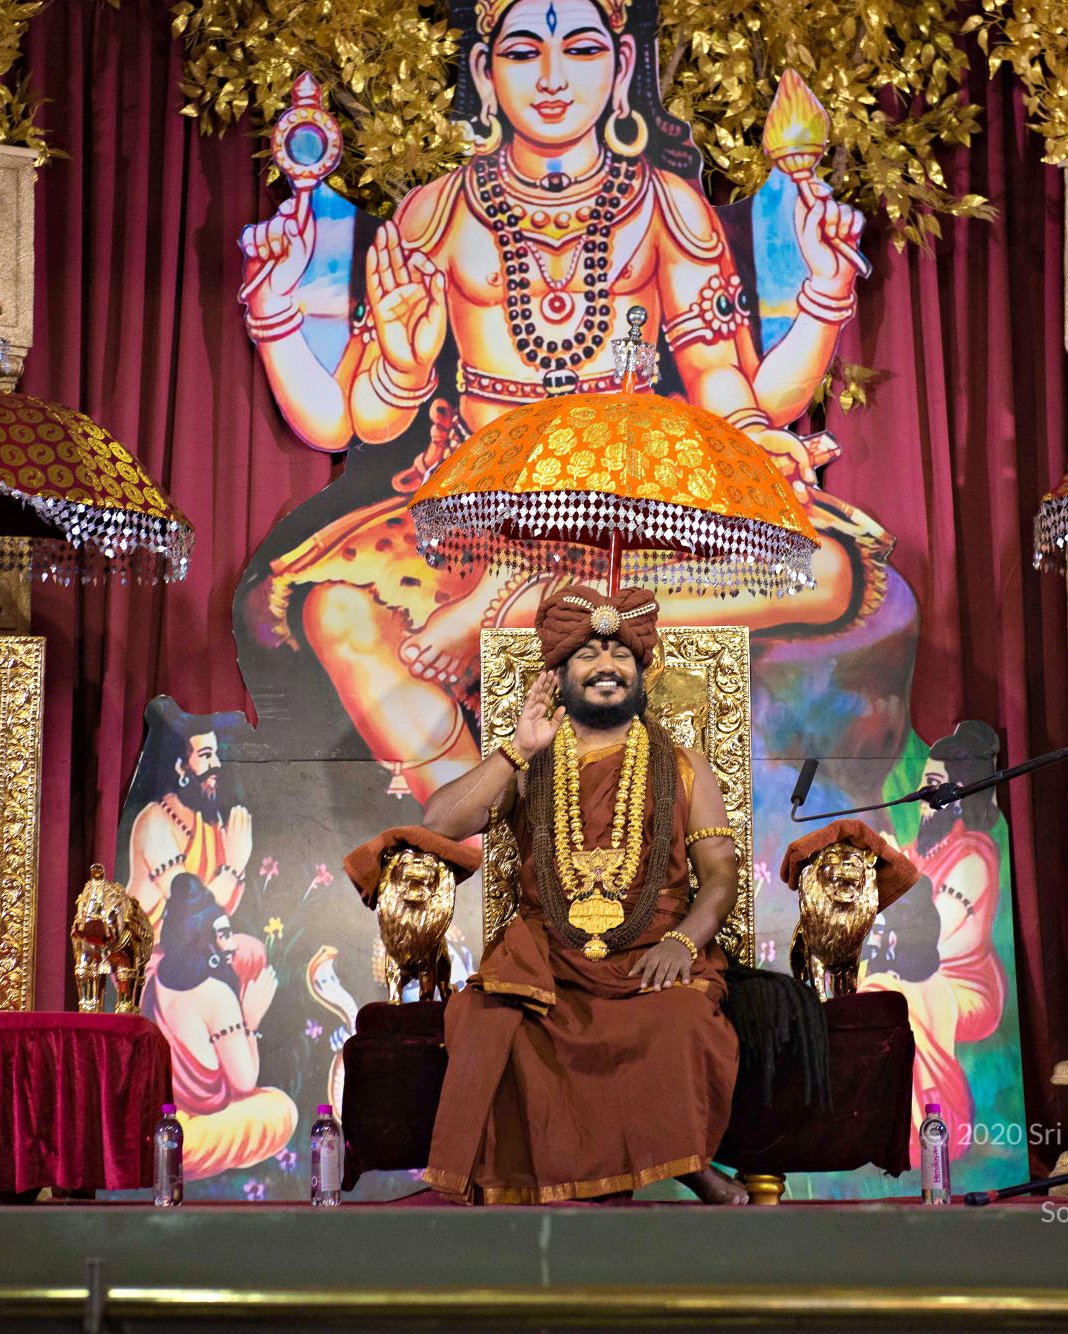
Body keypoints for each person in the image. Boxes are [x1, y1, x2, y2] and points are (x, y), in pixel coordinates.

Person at [238, 0, 886, 802]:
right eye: (522, 53)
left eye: (580, 50)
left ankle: (529, 607)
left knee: (824, 570)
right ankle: (480, 835)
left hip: (634, 506)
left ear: (621, 67)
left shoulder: (664, 205)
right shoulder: (438, 211)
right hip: (481, 514)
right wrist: (398, 361)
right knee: (336, 615)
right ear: (484, 73)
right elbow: (356, 420)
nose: (551, 79)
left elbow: (718, 375)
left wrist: (809, 326)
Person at [416, 584, 748, 1204]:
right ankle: (557, 1194)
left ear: (642, 672)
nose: (606, 666)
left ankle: (686, 1160)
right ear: (560, 675)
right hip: (550, 961)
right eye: (588, 654)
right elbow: (439, 823)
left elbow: (721, 876)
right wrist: (517, 750)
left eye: (621, 654)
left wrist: (683, 943)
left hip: (652, 955)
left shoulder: (684, 765)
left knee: (682, 1020)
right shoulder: (529, 764)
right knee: (488, 1020)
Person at [860, 723, 1006, 1165]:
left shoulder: (973, 855)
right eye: (924, 784)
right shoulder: (915, 852)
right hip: (913, 972)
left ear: (961, 794)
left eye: (935, 786)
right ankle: (878, 1118)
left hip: (962, 985)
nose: (924, 796)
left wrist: (890, 875)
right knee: (869, 982)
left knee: (897, 994)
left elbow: (932, 939)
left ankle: (936, 1124)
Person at [142, 875, 296, 1180]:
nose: (231, 944)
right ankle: (182, 1152)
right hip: (196, 1127)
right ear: (202, 938)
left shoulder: (154, 973)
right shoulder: (217, 997)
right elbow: (244, 1084)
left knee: (251, 951)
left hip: (163, 1118)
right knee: (281, 1111)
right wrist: (250, 1022)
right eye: (223, 934)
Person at [127, 725, 267, 983]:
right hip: (153, 959)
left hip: (197, 949)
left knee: (252, 953)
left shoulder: (209, 822)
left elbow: (222, 913)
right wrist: (233, 867)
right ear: (181, 767)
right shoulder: (156, 820)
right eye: (205, 755)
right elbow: (187, 916)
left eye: (216, 755)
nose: (216, 764)